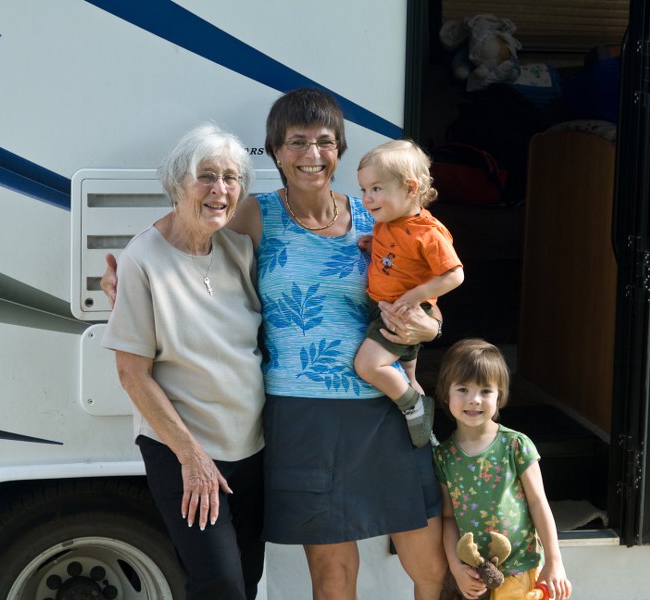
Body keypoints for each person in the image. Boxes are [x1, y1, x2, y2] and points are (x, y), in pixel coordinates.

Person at [103, 88, 448, 600]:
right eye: (297, 142)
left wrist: (431, 327)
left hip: (385, 409)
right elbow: (186, 228)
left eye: (325, 142)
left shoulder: (376, 214)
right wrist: (129, 272)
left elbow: (425, 294)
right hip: (302, 414)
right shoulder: (255, 215)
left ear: (340, 149)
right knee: (332, 572)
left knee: (429, 566)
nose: (312, 155)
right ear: (275, 151)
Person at [101, 124, 265, 599]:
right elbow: (132, 374)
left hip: (251, 447)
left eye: (231, 178)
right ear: (178, 184)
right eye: (206, 176)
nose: (220, 190)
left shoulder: (238, 249)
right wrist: (192, 458)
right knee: (221, 587)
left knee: (246, 582)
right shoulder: (142, 259)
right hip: (187, 449)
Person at [433, 339, 573, 600]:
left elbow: (538, 502)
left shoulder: (515, 445)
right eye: (463, 389)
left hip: (521, 570)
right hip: (474, 577)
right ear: (445, 393)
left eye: (486, 391)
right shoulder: (443, 457)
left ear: (500, 397)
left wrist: (555, 562)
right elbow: (448, 518)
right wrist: (456, 567)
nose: (474, 400)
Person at [354, 140, 464, 448]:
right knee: (407, 374)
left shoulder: (428, 232)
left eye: (376, 189)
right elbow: (400, 257)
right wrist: (373, 245)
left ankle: (413, 404)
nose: (366, 198)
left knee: (368, 365)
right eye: (363, 190)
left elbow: (455, 274)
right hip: (390, 308)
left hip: (403, 313)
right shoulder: (389, 222)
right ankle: (425, 437)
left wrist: (417, 296)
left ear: (410, 188)